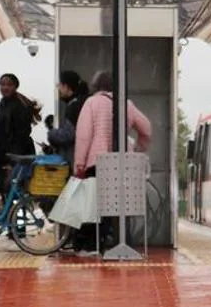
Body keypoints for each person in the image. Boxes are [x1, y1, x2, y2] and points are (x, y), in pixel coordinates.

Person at [72, 70, 152, 251]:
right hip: (122, 164)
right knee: (118, 204)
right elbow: (146, 129)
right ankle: (122, 242)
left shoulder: (91, 103)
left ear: (96, 85)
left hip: (98, 162)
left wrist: (79, 164)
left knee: (95, 205)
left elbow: (84, 135)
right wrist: (139, 147)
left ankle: (92, 246)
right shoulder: (126, 104)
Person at [0, 73, 41, 198]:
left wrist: (13, 160)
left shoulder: (19, 107)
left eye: (9, 85)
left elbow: (21, 135)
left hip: (16, 155)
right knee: (5, 190)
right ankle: (7, 214)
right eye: (2, 84)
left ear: (15, 86)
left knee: (13, 190)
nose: (5, 87)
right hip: (4, 154)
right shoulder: (3, 105)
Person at [45, 70, 89, 164]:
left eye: (59, 84)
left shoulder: (74, 105)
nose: (58, 87)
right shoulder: (84, 101)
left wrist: (51, 133)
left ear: (66, 86)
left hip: (75, 157)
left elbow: (68, 134)